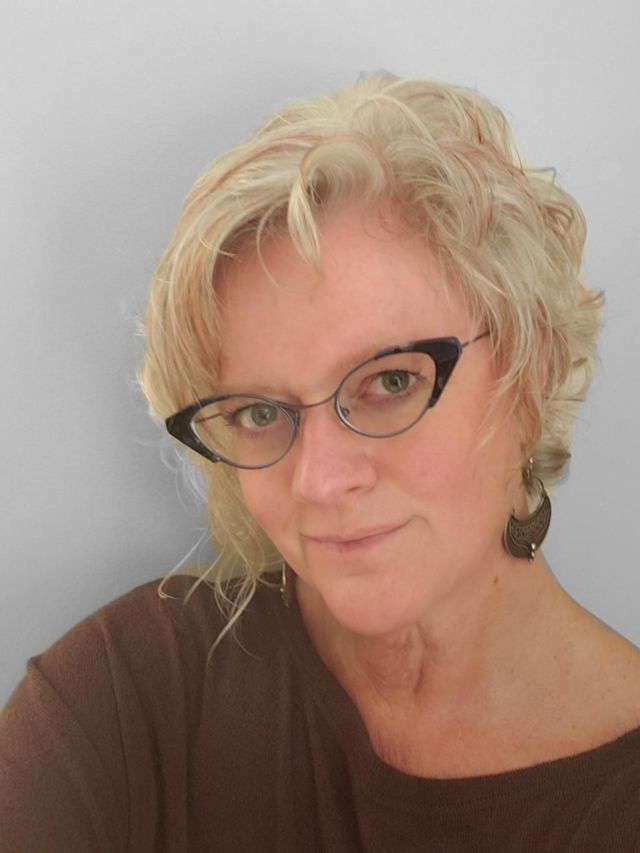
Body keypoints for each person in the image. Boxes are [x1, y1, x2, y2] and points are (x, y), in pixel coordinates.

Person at [2, 76, 640, 852]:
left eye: (391, 382)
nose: (320, 481)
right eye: (259, 412)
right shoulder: (125, 700)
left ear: (529, 368)